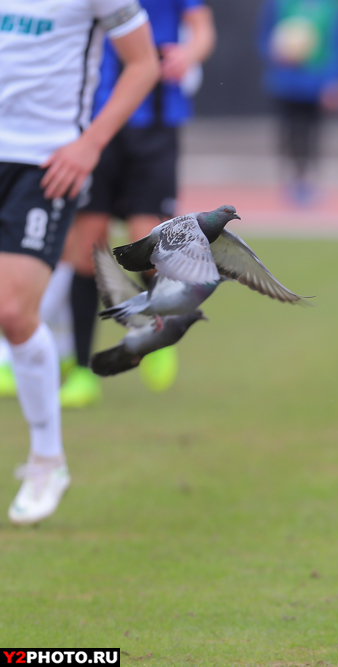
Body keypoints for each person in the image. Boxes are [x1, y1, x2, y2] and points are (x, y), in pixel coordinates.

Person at [0, 0, 159, 525]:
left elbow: (143, 64)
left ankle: (48, 459)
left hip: (44, 165)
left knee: (12, 311)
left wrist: (89, 145)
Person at [56, 0, 217, 407]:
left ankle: (160, 336)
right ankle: (80, 369)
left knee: (147, 243)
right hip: (97, 123)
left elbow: (202, 28)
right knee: (85, 249)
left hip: (157, 125)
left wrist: (189, 53)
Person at [258, 0, 338, 205]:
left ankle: (306, 180)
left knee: (312, 133)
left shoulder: (335, 5)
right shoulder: (278, 4)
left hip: (318, 81)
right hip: (286, 80)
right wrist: (276, 51)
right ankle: (293, 177)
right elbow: (264, 35)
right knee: (289, 131)